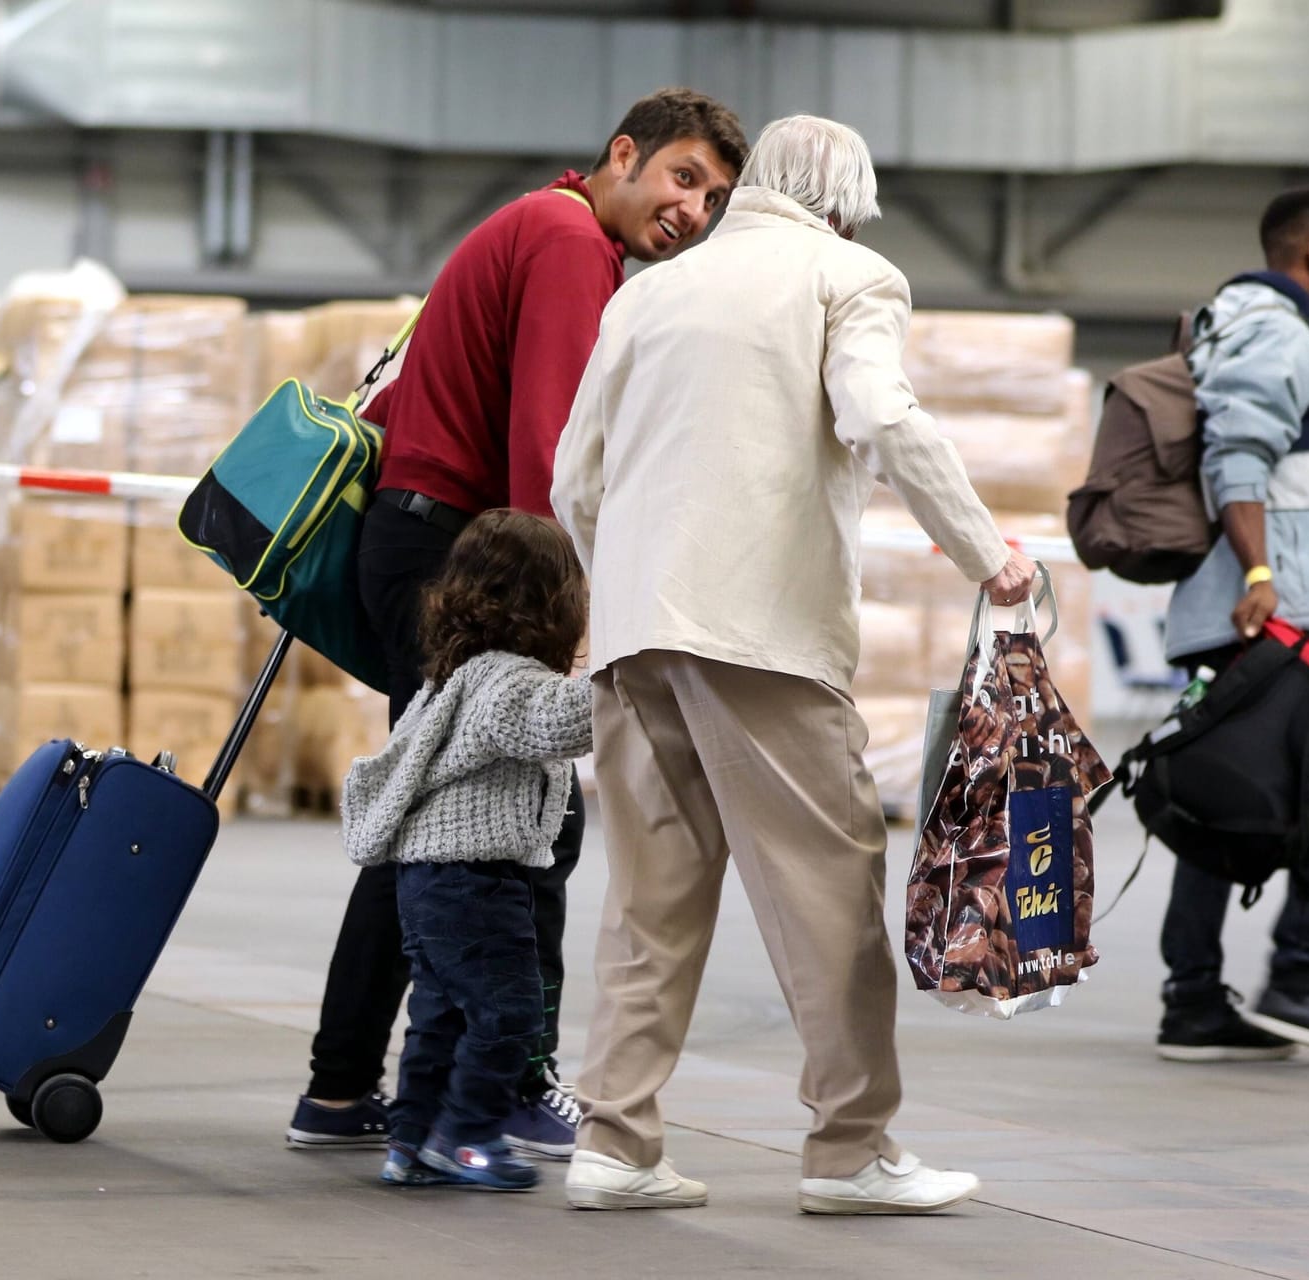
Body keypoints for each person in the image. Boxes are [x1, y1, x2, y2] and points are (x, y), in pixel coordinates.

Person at [551, 114, 1034, 1214]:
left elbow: (576, 474)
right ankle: (850, 1148)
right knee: (827, 890)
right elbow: (880, 412)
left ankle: (616, 1141)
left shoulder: (647, 291)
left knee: (650, 895)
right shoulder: (847, 274)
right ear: (845, 202)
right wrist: (985, 552)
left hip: (636, 633)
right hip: (759, 633)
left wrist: (615, 587)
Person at [285, 87, 748, 1158]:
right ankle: (505, 1079)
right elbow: (552, 444)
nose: (695, 211)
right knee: (516, 815)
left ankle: (348, 1085)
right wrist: (572, 608)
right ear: (622, 155)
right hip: (460, 551)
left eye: (716, 198)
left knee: (439, 810)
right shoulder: (565, 239)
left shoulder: (532, 222)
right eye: (684, 178)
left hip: (421, 540)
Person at [1154, 189, 1309, 1063]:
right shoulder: (1282, 332)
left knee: (1229, 790)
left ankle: (1192, 1002)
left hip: (1253, 608)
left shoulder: (1238, 324)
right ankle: (1300, 975)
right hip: (1271, 611)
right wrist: (1260, 574)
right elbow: (1237, 454)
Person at [340, 510, 593, 1191]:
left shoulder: (458, 672)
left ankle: (412, 1140)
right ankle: (468, 1136)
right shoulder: (510, 682)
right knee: (511, 1014)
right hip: (475, 882)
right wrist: (632, 667)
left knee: (440, 1017)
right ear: (554, 604)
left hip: (426, 881)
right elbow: (564, 721)